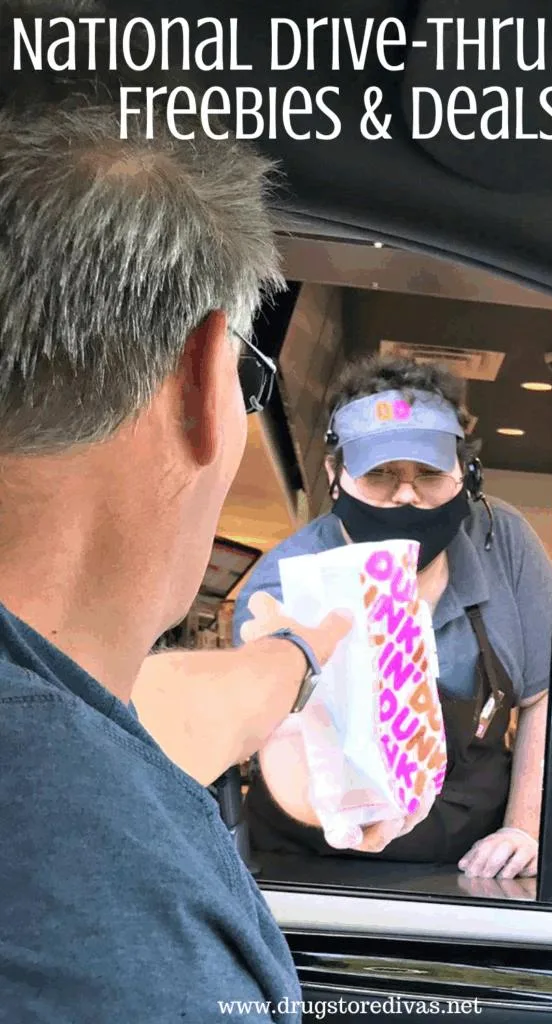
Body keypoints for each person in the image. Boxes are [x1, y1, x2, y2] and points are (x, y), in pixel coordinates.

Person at [0, 57, 367, 1023]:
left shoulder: (45, 712)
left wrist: (300, 656)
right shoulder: (110, 933)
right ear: (205, 379)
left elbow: (149, 711)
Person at [233, 356, 552, 880]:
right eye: (380, 473)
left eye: (428, 473)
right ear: (336, 475)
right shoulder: (285, 580)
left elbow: (542, 697)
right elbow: (276, 730)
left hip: (470, 870)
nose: (406, 494)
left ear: (467, 476)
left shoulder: (505, 543)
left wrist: (523, 827)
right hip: (307, 863)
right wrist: (338, 812)